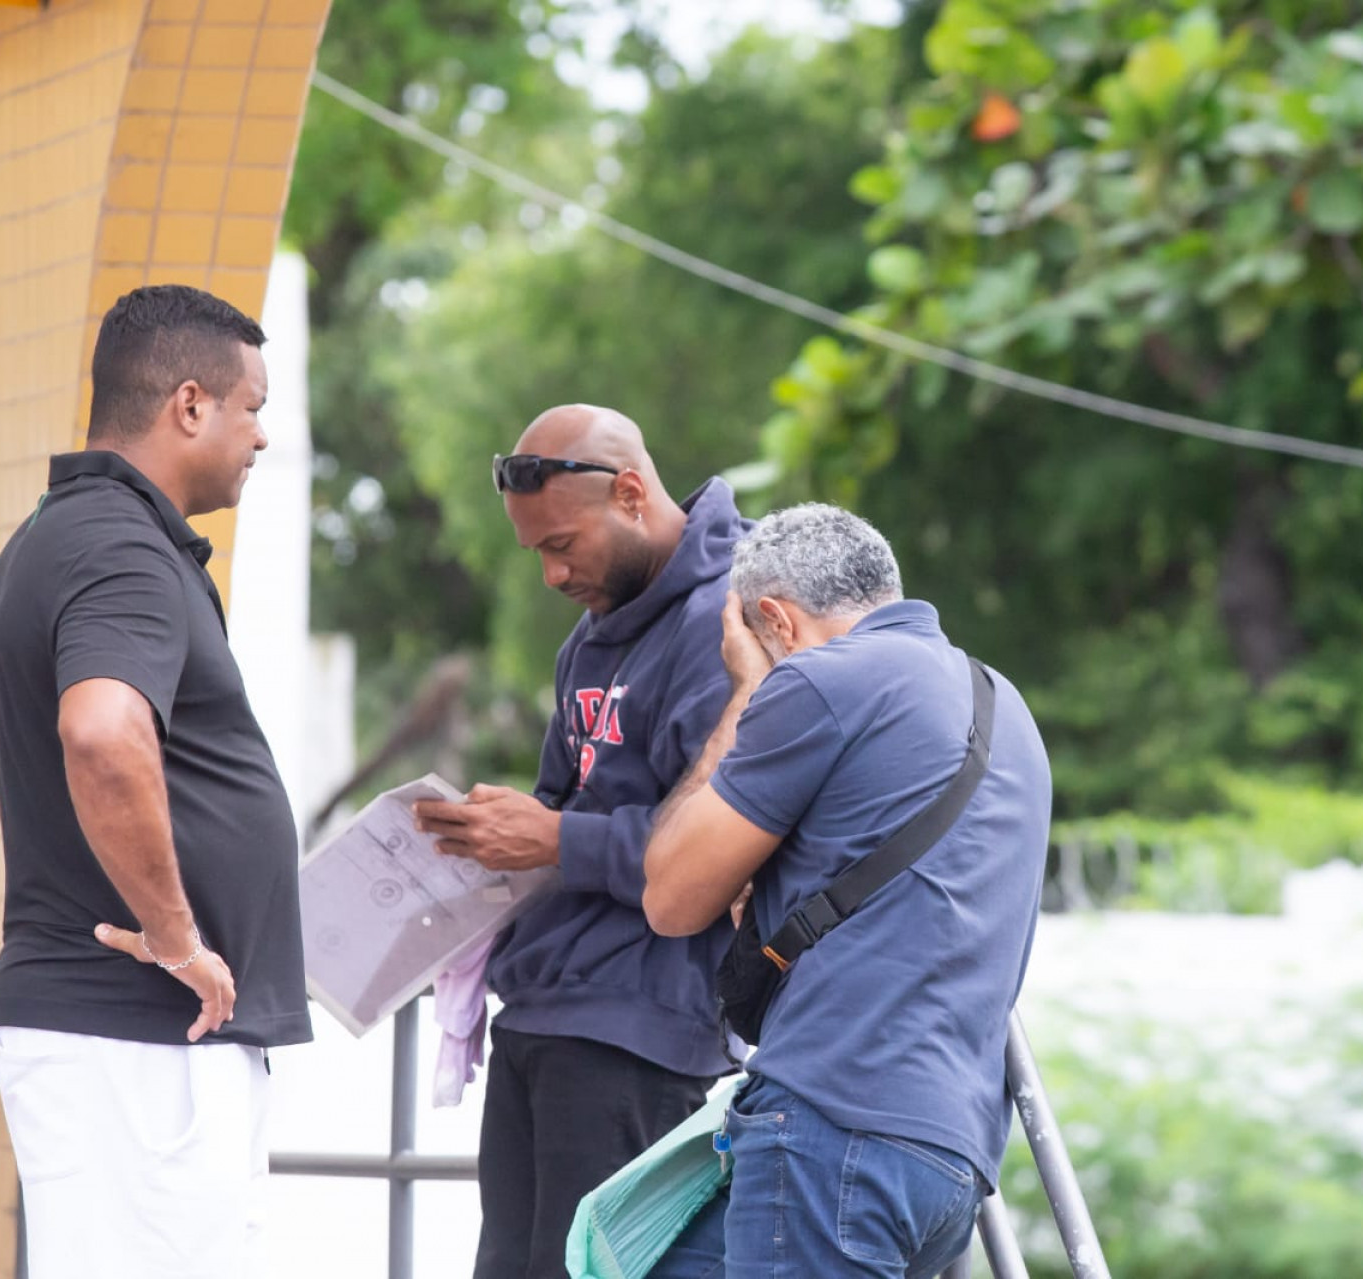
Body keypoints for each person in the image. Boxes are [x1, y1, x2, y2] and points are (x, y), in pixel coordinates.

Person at [0, 285, 313, 1278]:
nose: (260, 436)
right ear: (191, 404)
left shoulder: (56, 539)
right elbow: (100, 731)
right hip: (140, 1034)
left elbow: (12, 762)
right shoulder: (119, 544)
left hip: (119, 1037)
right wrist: (173, 934)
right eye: (253, 408)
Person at [642, 503, 1051, 1278]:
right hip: (949, 1156)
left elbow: (670, 894)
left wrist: (745, 690)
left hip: (834, 1130)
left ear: (774, 619)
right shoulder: (1003, 701)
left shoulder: (821, 679)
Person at [413, 405, 748, 1279]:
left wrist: (555, 834)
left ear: (631, 494)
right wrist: (491, 836)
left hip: (639, 1026)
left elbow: (715, 851)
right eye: (537, 554)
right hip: (539, 1010)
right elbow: (565, 812)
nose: (553, 572)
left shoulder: (731, 628)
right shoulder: (585, 644)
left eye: (564, 544)